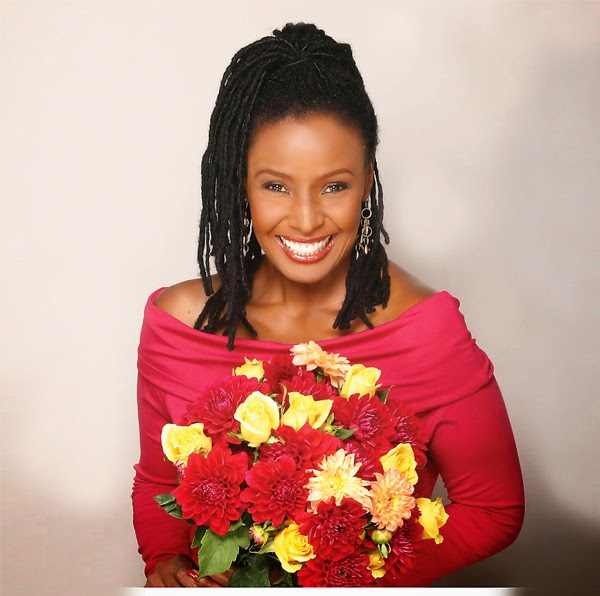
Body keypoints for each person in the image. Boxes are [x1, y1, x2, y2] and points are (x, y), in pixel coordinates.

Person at [132, 23, 524, 588]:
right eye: (275, 186)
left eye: (334, 186)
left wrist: (344, 579)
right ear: (238, 184)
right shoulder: (178, 325)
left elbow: (493, 510)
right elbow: (157, 484)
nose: (307, 220)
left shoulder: (425, 331)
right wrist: (167, 563)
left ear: (367, 181)